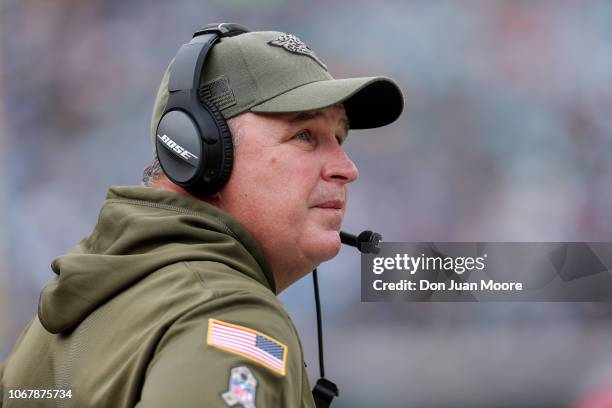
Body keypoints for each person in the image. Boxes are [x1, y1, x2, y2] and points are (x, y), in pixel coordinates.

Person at [1, 24, 403, 407]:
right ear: (200, 151)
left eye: (338, 138)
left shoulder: (77, 310)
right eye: (305, 136)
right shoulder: (234, 318)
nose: (347, 168)